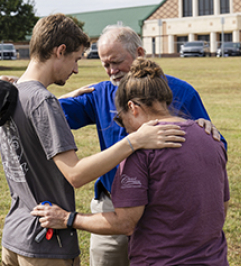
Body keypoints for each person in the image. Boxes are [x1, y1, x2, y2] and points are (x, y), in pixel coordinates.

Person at [0, 14, 187, 266]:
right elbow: (76, 174)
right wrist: (135, 140)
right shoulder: (43, 101)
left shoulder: (11, 95)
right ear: (60, 51)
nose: (76, 69)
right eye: (75, 58)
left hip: (15, 234)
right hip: (45, 243)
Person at [33, 57, 229, 266]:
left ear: (132, 107)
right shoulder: (211, 137)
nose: (124, 128)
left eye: (120, 119)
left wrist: (66, 219)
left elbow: (125, 222)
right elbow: (222, 207)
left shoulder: (140, 151)